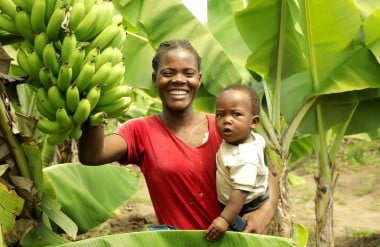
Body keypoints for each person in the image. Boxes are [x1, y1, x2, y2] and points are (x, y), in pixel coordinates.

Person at [78, 39, 278, 235]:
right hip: (178, 246)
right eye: (168, 73)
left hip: (232, 246)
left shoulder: (225, 127)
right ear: (155, 79)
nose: (179, 79)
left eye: (188, 73)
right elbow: (92, 155)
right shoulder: (140, 131)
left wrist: (265, 211)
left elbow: (263, 172)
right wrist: (94, 100)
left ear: (199, 80)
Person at [204, 84, 270, 241]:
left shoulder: (245, 157)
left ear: (253, 122)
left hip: (245, 205)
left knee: (240, 239)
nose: (227, 120)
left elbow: (240, 192)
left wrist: (225, 219)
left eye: (236, 114)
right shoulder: (246, 138)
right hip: (246, 198)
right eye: (220, 115)